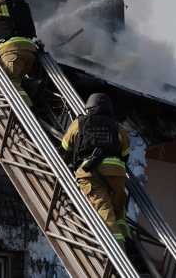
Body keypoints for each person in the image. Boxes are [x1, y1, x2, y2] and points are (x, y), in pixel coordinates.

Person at [61, 93, 130, 245]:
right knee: (118, 208)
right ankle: (126, 235)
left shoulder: (79, 123)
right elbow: (125, 153)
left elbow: (65, 146)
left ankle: (118, 249)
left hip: (90, 173)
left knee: (104, 210)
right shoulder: (118, 127)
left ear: (89, 107)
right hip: (117, 174)